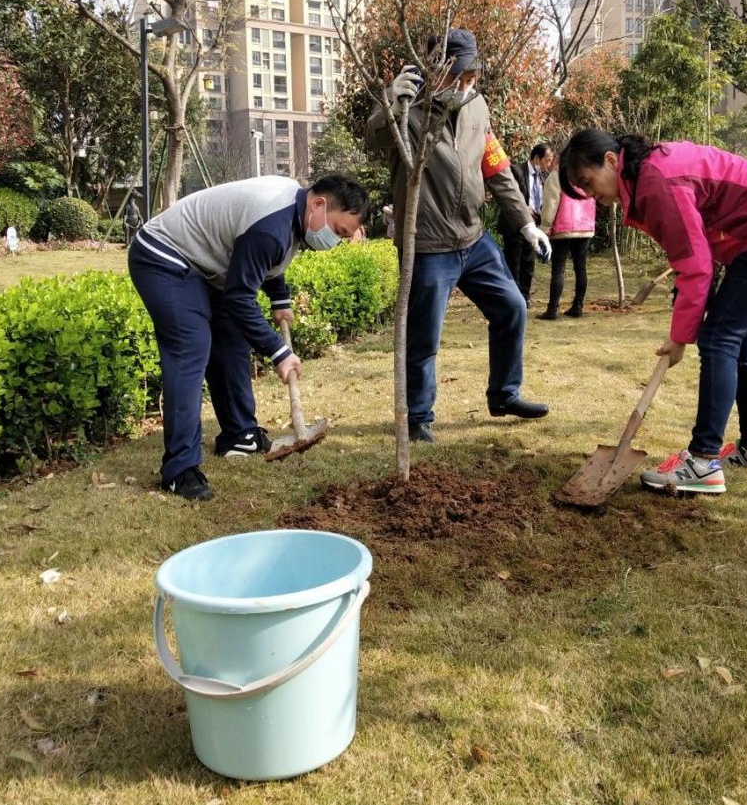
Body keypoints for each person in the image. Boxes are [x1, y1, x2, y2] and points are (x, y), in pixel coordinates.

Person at [559, 129, 747, 495]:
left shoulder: (656, 181)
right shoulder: (648, 174)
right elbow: (694, 256)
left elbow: (695, 266)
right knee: (739, 345)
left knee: (720, 339)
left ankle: (703, 461)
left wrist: (680, 337)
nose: (592, 196)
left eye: (588, 181)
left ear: (612, 161)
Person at [129, 174, 370, 500]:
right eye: (338, 231)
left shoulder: (294, 213)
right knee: (191, 348)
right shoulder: (271, 223)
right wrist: (278, 352)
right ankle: (179, 470)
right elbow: (240, 295)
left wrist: (280, 299)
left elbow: (268, 261)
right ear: (318, 204)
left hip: (208, 268)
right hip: (164, 256)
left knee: (231, 341)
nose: (335, 241)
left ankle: (239, 435)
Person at [365, 28, 552, 443]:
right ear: (438, 69)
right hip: (428, 245)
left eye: (473, 74)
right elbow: (372, 138)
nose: (468, 83)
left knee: (512, 307)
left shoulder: (477, 107)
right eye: (460, 74)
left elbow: (497, 168)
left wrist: (525, 223)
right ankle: (417, 418)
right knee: (424, 336)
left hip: (473, 237)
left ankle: (504, 394)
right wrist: (390, 100)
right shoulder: (408, 109)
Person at [537, 154, 596, 319]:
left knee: (559, 270)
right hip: (585, 227)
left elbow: (550, 203)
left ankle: (552, 309)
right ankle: (578, 306)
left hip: (563, 228)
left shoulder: (557, 175)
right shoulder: (588, 174)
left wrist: (545, 228)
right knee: (581, 268)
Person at [500, 144, 554, 303]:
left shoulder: (544, 176)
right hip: (514, 225)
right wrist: (523, 208)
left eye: (550, 161)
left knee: (529, 263)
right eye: (547, 160)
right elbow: (509, 195)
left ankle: (524, 296)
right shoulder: (516, 171)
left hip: (534, 225)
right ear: (536, 158)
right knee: (513, 263)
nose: (548, 165)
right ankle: (512, 298)